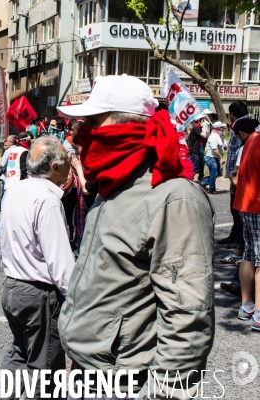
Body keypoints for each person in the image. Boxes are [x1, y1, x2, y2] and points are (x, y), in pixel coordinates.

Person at [57, 74, 214, 398]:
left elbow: (188, 321)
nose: (80, 134)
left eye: (92, 122)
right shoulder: (112, 182)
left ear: (123, 125)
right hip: (88, 372)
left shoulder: (173, 198)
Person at [0, 136, 74, 399]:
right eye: (69, 162)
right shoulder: (47, 200)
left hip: (13, 286)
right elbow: (59, 262)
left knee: (20, 352)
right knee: (45, 370)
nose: (72, 167)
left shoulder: (16, 190)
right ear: (55, 168)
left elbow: (3, 242)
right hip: (39, 295)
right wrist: (76, 300)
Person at [230, 118, 260, 331]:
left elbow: (239, 177)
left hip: (245, 205)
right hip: (257, 205)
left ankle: (247, 306)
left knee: (249, 255)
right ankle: (258, 314)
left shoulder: (250, 141)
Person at [218, 101, 248, 250]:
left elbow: (239, 152)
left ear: (232, 114)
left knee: (237, 208)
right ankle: (236, 236)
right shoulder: (250, 125)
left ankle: (239, 240)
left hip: (237, 175)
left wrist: (232, 175)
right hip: (241, 174)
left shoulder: (240, 127)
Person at [200, 121, 225, 194]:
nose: (223, 129)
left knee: (216, 174)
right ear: (218, 128)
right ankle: (211, 189)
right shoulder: (214, 136)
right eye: (222, 127)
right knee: (214, 174)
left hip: (214, 158)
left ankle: (203, 183)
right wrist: (221, 158)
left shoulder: (218, 135)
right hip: (211, 158)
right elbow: (215, 149)